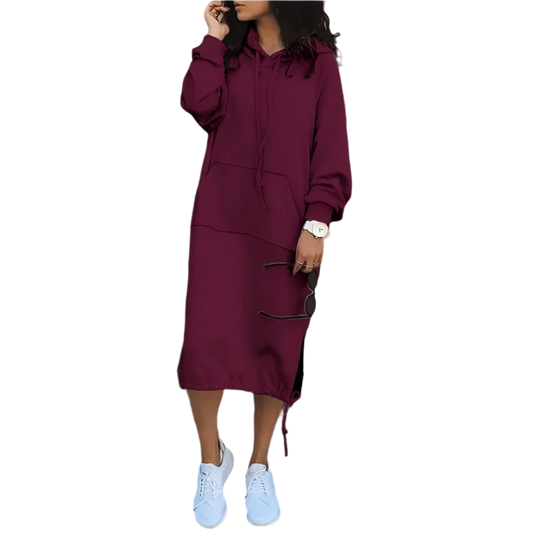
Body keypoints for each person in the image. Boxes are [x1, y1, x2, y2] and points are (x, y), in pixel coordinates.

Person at [175, 0, 354, 529]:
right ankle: (211, 461)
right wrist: (212, 38)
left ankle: (258, 464)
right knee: (204, 342)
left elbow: (334, 150)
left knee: (275, 346)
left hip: (285, 233)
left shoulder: (320, 62)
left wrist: (318, 222)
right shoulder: (227, 51)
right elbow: (197, 102)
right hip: (220, 224)